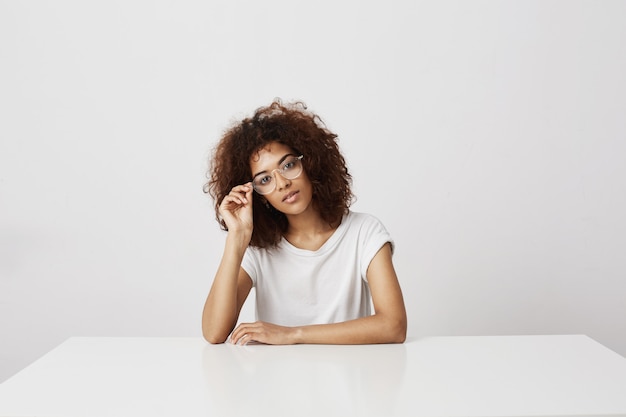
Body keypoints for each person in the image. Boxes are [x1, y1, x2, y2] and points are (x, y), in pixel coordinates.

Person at [202, 99, 406, 345]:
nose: (282, 183)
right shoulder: (258, 251)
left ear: (309, 163)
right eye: (265, 180)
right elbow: (214, 333)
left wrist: (292, 334)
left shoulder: (364, 232)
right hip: (278, 380)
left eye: (288, 165)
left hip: (350, 378)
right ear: (259, 196)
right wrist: (237, 238)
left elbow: (393, 326)